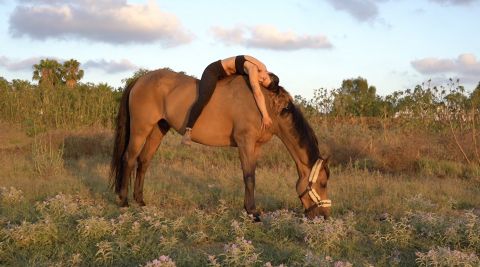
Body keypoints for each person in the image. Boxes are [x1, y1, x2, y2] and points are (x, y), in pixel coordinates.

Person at [182, 55, 279, 145]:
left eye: (262, 82)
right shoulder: (253, 69)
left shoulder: (261, 67)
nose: (260, 80)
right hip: (214, 71)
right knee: (203, 98)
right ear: (268, 72)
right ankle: (188, 130)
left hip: (226, 77)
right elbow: (257, 93)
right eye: (263, 78)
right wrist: (265, 115)